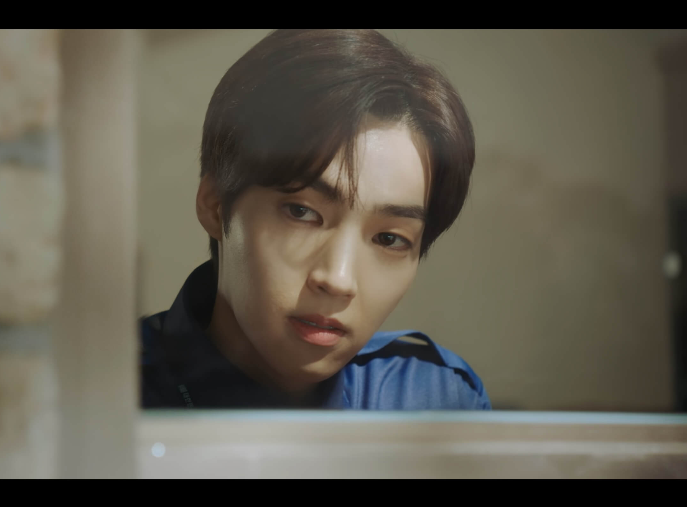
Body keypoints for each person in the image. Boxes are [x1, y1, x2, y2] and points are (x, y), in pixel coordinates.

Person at [141, 29, 490, 410]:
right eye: (302, 212)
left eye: (389, 239)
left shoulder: (435, 401)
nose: (338, 280)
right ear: (215, 206)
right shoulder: (108, 386)